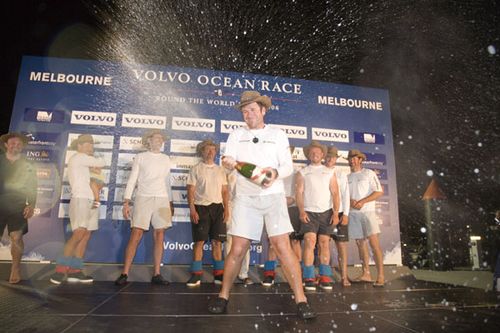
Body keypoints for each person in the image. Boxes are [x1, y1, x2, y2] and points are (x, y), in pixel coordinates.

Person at [207, 90, 316, 319]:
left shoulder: (278, 134)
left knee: (282, 247)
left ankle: (302, 300)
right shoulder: (236, 135)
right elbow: (231, 163)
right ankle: (223, 296)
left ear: (263, 110)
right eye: (245, 111)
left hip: (273, 197)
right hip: (245, 199)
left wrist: (275, 172)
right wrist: (228, 163)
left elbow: (287, 167)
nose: (249, 114)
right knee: (237, 249)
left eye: (253, 110)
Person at [114, 129, 174, 286]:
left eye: (161, 139)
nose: (159, 141)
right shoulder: (141, 157)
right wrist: (126, 201)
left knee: (160, 235)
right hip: (143, 198)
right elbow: (132, 179)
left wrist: (171, 202)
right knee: (136, 234)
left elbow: (167, 182)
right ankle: (125, 273)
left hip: (162, 199)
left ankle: (157, 274)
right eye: (156, 138)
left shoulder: (166, 158)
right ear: (148, 141)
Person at [50, 134, 105, 284]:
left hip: (91, 200)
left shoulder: (83, 160)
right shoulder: (79, 157)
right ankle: (60, 271)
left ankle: (75, 271)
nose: (90, 146)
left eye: (91, 143)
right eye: (86, 143)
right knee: (78, 234)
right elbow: (102, 161)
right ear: (78, 146)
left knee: (86, 235)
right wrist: (94, 161)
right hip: (80, 199)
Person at [296, 141, 339, 291]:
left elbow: (335, 193)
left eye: (317, 153)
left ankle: (324, 276)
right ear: (308, 155)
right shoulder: (302, 172)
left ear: (322, 155)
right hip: (309, 212)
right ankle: (308, 276)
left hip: (326, 213)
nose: (315, 155)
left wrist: (335, 213)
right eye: (312, 153)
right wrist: (301, 211)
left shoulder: (330, 172)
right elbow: (299, 193)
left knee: (324, 243)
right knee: (309, 241)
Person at [186, 139, 230, 286]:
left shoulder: (220, 170)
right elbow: (190, 190)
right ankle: (196, 274)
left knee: (217, 243)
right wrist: (192, 209)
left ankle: (219, 275)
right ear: (202, 152)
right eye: (207, 150)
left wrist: (227, 209)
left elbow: (225, 191)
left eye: (213, 150)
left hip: (218, 208)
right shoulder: (195, 169)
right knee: (199, 242)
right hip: (200, 208)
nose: (211, 152)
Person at [262, 145, 302, 287]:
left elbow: (300, 194)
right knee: (273, 243)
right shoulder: (270, 171)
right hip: (275, 210)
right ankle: (269, 273)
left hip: (292, 209)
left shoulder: (297, 172)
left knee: (295, 242)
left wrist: (292, 199)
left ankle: (297, 274)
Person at [0, 132, 37, 284]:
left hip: (18, 205)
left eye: (19, 144)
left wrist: (32, 204)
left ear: (22, 146)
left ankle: (15, 269)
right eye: (12, 143)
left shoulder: (28, 164)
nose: (16, 145)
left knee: (16, 237)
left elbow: (33, 186)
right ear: (6, 145)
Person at [347, 149, 385, 287]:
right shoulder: (348, 177)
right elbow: (346, 196)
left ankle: (380, 275)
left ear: (360, 160)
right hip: (353, 214)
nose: (352, 160)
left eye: (355, 158)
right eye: (350, 158)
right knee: (360, 245)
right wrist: (350, 201)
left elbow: (379, 192)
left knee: (374, 244)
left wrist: (362, 201)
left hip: (368, 213)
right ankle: (366, 274)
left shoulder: (368, 173)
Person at [324, 146, 351, 287]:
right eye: (328, 156)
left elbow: (346, 194)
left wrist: (345, 214)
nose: (330, 159)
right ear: (324, 157)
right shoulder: (319, 171)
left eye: (332, 157)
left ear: (336, 159)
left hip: (339, 213)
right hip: (324, 213)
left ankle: (344, 277)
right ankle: (325, 276)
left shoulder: (341, 174)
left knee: (341, 246)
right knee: (324, 245)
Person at [224, 170, 253, 285]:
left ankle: (243, 274)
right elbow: (224, 191)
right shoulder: (227, 171)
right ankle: (229, 273)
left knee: (244, 241)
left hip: (246, 208)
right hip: (231, 207)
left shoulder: (250, 171)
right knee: (229, 240)